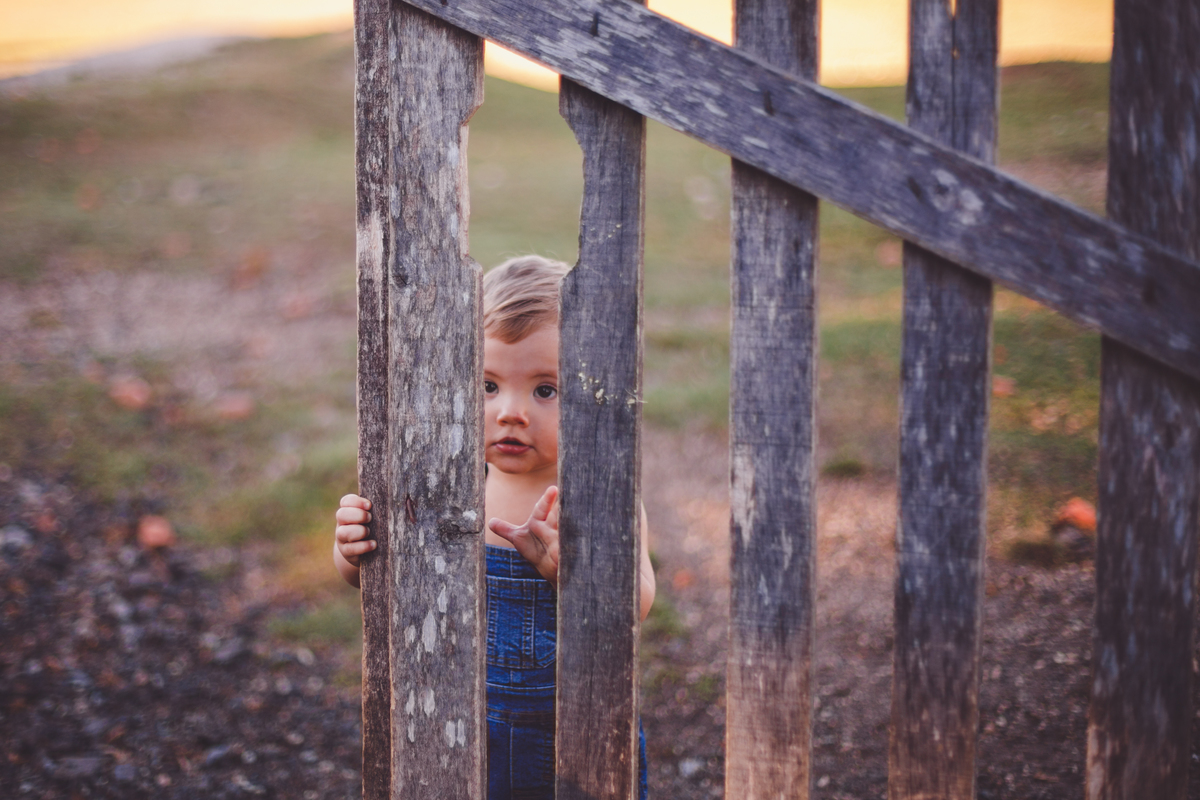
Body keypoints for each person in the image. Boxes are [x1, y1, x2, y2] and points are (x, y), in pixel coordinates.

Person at [333, 255, 655, 800]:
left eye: (545, 390)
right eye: (487, 385)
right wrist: (352, 549)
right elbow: (375, 583)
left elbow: (636, 607)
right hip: (447, 724)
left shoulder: (599, 496)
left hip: (564, 735)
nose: (510, 412)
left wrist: (572, 575)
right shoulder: (441, 487)